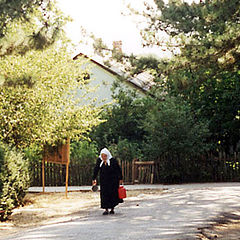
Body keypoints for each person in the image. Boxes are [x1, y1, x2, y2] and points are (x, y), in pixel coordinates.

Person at [92, 148, 123, 215]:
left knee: (112, 194)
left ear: (108, 155)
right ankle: (106, 209)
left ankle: (112, 208)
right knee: (104, 194)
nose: (104, 157)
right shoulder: (99, 161)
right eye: (102, 156)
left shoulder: (113, 161)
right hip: (104, 181)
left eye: (105, 156)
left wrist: (120, 178)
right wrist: (94, 178)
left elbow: (118, 170)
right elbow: (96, 169)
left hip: (113, 181)